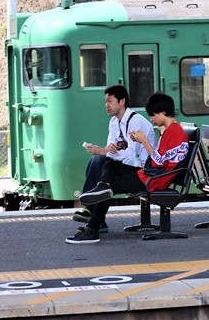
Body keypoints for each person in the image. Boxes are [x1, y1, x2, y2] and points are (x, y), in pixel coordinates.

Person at [65, 91, 189, 244]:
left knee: (108, 190)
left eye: (153, 115)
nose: (151, 119)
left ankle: (93, 228)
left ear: (163, 112)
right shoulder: (170, 131)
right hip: (151, 174)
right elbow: (159, 160)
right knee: (110, 164)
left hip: (155, 179)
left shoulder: (175, 133)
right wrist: (139, 140)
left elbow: (159, 163)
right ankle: (101, 188)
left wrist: (144, 141)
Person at [72, 84, 156, 232]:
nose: (106, 105)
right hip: (125, 165)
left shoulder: (136, 121)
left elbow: (132, 156)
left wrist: (104, 152)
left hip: (140, 168)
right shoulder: (114, 122)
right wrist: (104, 150)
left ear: (122, 101)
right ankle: (96, 217)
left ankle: (92, 212)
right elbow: (110, 149)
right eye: (105, 102)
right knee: (97, 161)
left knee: (100, 163)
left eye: (110, 101)